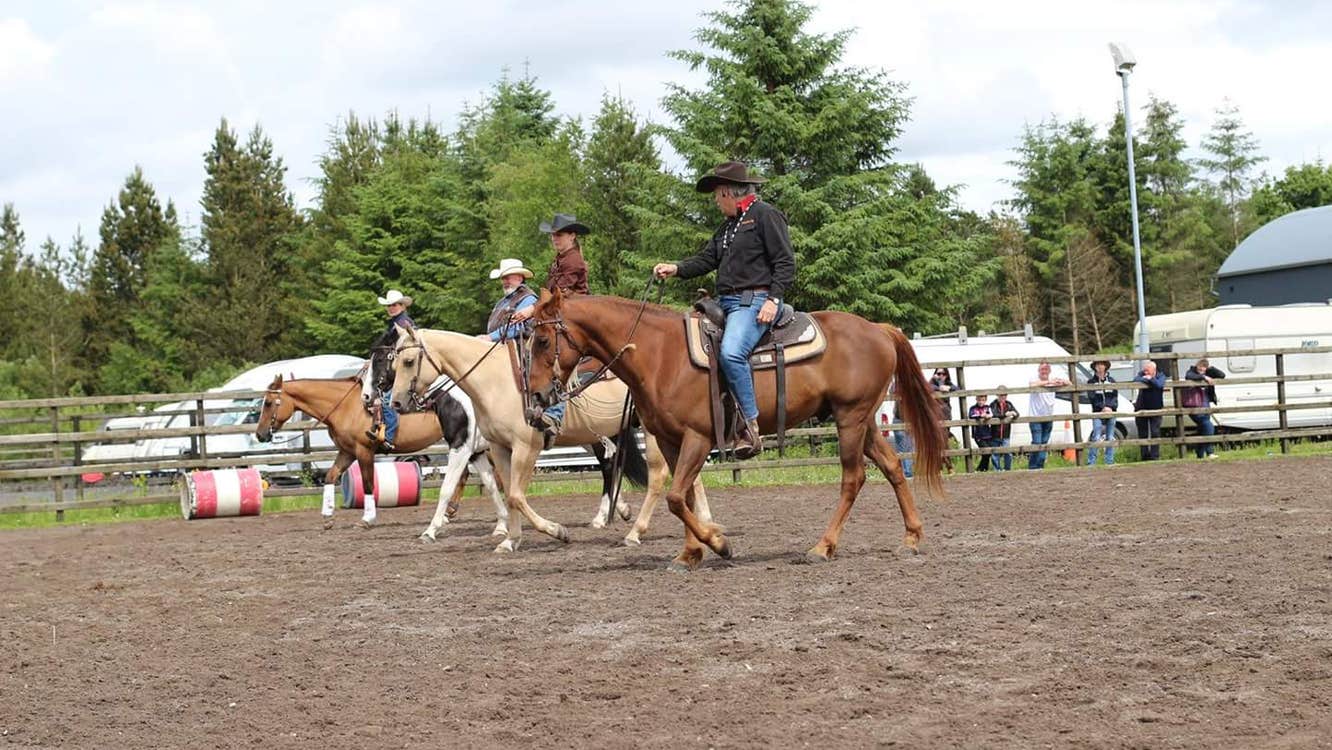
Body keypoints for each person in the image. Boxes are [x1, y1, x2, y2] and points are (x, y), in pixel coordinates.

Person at [653, 161, 796, 459]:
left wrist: (773, 300)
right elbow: (707, 260)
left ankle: (750, 427)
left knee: (731, 352)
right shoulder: (729, 226)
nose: (716, 202)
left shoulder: (765, 215)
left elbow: (785, 262)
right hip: (726, 303)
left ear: (728, 193)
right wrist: (676, 268)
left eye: (717, 196)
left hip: (754, 302)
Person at [509, 214, 593, 437]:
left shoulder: (573, 260)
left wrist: (530, 310)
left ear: (572, 236)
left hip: (574, 317)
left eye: (559, 234)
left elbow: (559, 295)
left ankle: (554, 415)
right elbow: (551, 295)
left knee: (560, 361)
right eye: (553, 235)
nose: (554, 238)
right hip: (562, 315)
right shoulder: (561, 259)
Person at [481, 258, 565, 442]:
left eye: (509, 277)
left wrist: (490, 338)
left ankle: (549, 412)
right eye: (503, 278)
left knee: (540, 372)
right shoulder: (503, 302)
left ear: (520, 277)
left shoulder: (528, 299)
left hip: (523, 346)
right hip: (502, 348)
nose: (505, 281)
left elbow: (519, 328)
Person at [366, 290, 415, 451]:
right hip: (397, 367)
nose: (391, 308)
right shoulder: (396, 323)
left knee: (388, 400)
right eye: (389, 306)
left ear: (402, 306)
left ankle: (389, 437)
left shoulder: (403, 323)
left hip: (405, 368)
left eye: (394, 305)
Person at [1027, 361, 1069, 469]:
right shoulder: (1034, 378)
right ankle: (1032, 467)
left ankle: (1040, 466)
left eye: (1046, 369)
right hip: (1035, 417)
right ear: (1038, 370)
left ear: (1049, 371)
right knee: (1037, 443)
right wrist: (1048, 382)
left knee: (1044, 443)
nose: (1044, 371)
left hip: (1048, 417)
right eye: (1042, 369)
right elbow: (1031, 385)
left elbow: (1070, 384)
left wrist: (1061, 381)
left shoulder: (1053, 379)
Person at [1182, 357, 1226, 459]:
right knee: (1209, 426)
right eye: (1200, 367)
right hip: (1194, 405)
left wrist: (1211, 369)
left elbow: (1222, 375)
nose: (1201, 369)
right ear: (1197, 366)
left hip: (1206, 404)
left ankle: (1200, 454)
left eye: (1204, 368)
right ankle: (1210, 452)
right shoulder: (1191, 371)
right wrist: (1204, 377)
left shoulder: (1208, 371)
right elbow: (1189, 376)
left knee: (1203, 430)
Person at [1086, 359, 1118, 466]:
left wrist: (1110, 407)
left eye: (1102, 365)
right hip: (1097, 412)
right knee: (1096, 437)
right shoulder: (1091, 382)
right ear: (1094, 367)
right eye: (1097, 365)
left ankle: (1109, 461)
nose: (1100, 367)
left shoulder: (1112, 381)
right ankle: (1091, 462)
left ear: (1105, 367)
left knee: (1110, 437)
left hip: (1111, 412)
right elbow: (1092, 397)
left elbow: (1114, 397)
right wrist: (1102, 407)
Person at [1133, 360, 1167, 461]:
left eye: (1148, 371)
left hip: (1156, 408)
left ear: (1154, 370)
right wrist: (1148, 378)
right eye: (1145, 370)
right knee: (1142, 433)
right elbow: (1135, 379)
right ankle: (1144, 456)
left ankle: (1154, 456)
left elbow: (1159, 384)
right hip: (1141, 407)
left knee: (1155, 432)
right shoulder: (1142, 374)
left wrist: (1150, 379)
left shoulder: (1161, 375)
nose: (1145, 372)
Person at [930, 368, 958, 474]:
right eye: (938, 373)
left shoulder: (948, 383)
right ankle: (946, 466)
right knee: (938, 441)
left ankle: (942, 467)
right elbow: (928, 387)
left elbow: (957, 388)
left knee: (943, 441)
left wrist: (948, 388)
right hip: (935, 416)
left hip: (946, 415)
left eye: (943, 373)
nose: (941, 376)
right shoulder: (932, 383)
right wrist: (939, 386)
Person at [989, 386, 1020, 471]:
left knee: (1007, 452)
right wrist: (1005, 415)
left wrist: (1014, 414)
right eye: (1001, 395)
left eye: (1005, 395)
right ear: (997, 395)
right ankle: (997, 470)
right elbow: (995, 414)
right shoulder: (993, 404)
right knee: (995, 453)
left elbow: (1017, 413)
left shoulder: (1009, 404)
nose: (1003, 397)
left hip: (1006, 433)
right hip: (995, 433)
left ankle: (1007, 469)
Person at [968, 392, 995, 471]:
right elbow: (971, 415)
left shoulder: (987, 407)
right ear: (976, 399)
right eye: (979, 400)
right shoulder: (973, 408)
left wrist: (988, 416)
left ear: (985, 400)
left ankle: (983, 469)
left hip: (987, 433)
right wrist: (981, 416)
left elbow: (991, 414)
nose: (981, 402)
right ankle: (981, 468)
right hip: (978, 434)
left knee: (987, 452)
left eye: (983, 400)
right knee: (986, 451)